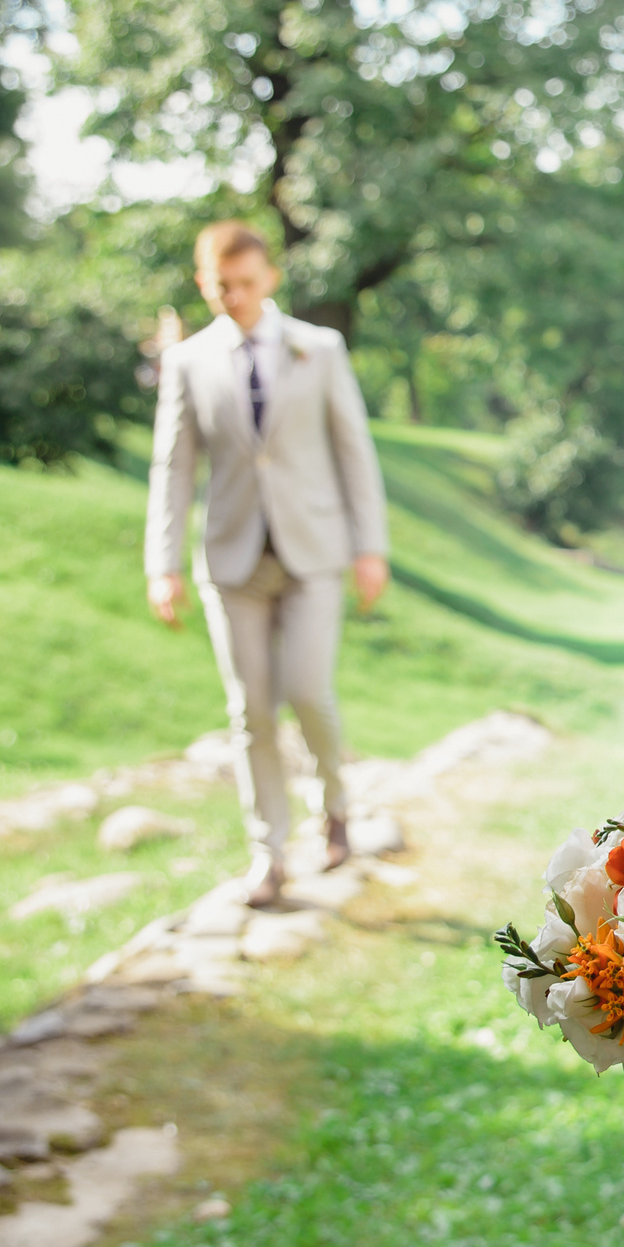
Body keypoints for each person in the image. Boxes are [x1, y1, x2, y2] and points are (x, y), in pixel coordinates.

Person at [145, 221, 390, 907]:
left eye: (248, 284)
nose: (236, 298)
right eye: (222, 286)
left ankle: (335, 808)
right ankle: (269, 854)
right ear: (205, 283)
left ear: (270, 279)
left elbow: (354, 452)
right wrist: (161, 563)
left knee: (308, 691)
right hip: (231, 559)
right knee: (250, 709)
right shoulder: (190, 361)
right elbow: (174, 467)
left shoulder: (321, 348)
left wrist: (370, 548)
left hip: (313, 553)